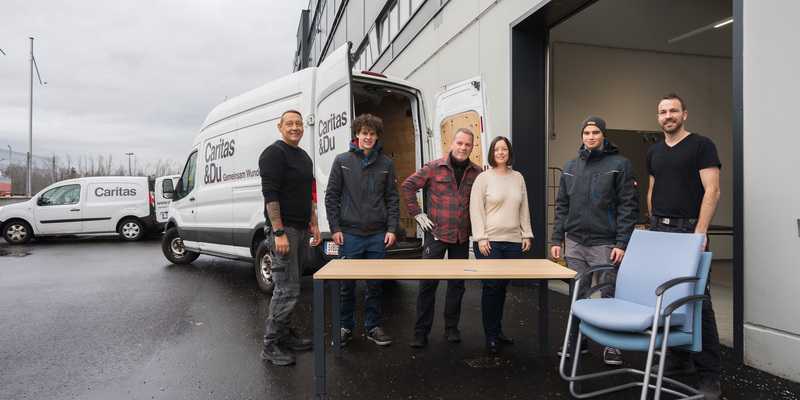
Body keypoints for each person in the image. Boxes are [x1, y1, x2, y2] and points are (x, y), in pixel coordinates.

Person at [647, 93, 722, 400]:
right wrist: (653, 226)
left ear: (684, 114)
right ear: (658, 117)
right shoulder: (653, 151)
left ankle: (710, 377)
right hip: (660, 231)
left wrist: (700, 232)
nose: (668, 116)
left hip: (690, 231)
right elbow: (652, 190)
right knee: (666, 298)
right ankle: (679, 359)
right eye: (663, 111)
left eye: (673, 111)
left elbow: (713, 190)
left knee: (698, 302)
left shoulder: (701, 146)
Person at [550, 116, 639, 365]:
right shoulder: (570, 167)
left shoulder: (620, 165)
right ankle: (577, 338)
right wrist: (557, 238)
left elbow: (628, 207)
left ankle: (612, 344)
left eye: (596, 132)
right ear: (582, 136)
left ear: (603, 136)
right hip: (576, 243)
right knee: (578, 293)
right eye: (587, 132)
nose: (591, 136)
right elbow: (562, 207)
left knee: (609, 293)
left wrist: (622, 243)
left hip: (605, 243)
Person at [401, 128, 482, 348]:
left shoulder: (477, 172)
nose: (463, 148)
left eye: (467, 144)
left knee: (457, 284)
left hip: (461, 237)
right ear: (452, 143)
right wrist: (417, 213)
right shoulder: (434, 168)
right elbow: (408, 185)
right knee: (428, 284)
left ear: (472, 147)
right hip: (436, 234)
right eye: (460, 143)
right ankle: (420, 332)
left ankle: (451, 327)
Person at [325, 114, 400, 347]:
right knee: (346, 284)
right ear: (356, 134)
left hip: (378, 235)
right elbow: (331, 197)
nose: (368, 137)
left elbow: (392, 199)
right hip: (349, 234)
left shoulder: (386, 164)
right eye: (364, 132)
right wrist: (335, 228)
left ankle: (373, 327)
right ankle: (345, 326)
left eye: (372, 133)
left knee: (375, 283)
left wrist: (392, 229)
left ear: (377, 136)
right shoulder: (342, 160)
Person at [259, 110, 322, 366]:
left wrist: (315, 224)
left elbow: (308, 194)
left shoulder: (304, 156)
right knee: (286, 290)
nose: (295, 127)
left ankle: (285, 335)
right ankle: (271, 344)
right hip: (284, 232)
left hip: (302, 229)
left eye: (298, 123)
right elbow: (270, 194)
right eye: (289, 124)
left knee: (293, 287)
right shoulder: (274, 153)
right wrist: (279, 232)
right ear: (280, 127)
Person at [470, 136, 533, 354]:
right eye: (496, 149)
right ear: (491, 153)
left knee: (502, 287)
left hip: (513, 242)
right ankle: (490, 335)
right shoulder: (483, 178)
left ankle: (497, 330)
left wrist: (526, 234)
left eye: (504, 149)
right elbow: (475, 209)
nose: (500, 152)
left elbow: (523, 208)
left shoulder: (518, 177)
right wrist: (481, 237)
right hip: (490, 243)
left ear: (509, 152)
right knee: (491, 287)